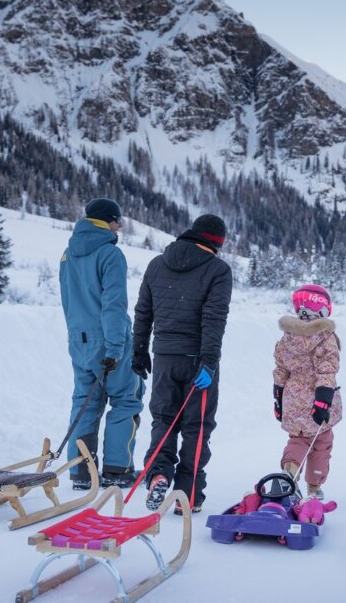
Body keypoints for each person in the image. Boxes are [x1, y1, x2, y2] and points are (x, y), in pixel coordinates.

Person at [132, 214, 233, 513]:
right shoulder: (218, 270)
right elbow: (214, 319)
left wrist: (139, 351)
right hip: (197, 361)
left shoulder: (156, 265)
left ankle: (159, 473)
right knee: (196, 427)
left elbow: (143, 313)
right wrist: (209, 363)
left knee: (164, 420)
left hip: (163, 357)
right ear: (216, 243)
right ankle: (187, 495)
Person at [59, 198, 145, 490]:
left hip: (79, 341)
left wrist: (78, 338)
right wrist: (115, 347)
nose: (120, 226)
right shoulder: (110, 254)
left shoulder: (67, 255)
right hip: (109, 340)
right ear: (108, 221)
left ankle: (80, 471)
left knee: (85, 402)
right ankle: (117, 470)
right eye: (118, 220)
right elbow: (114, 304)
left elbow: (68, 301)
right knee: (125, 399)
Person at [273, 284, 342, 500]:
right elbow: (327, 369)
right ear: (322, 311)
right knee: (321, 442)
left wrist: (278, 397)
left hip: (292, 397)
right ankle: (314, 487)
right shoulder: (325, 338)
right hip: (317, 397)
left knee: (298, 439)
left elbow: (281, 369)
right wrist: (323, 401)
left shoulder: (287, 337)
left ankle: (289, 472)